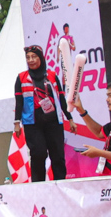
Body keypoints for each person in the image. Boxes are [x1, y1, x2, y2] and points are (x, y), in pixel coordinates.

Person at [13, 45, 71, 182]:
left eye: (34, 57)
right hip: (33, 122)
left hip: (53, 120)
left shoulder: (52, 75)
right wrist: (17, 122)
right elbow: (19, 102)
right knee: (38, 153)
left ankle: (60, 184)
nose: (31, 60)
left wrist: (70, 118)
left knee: (57, 155)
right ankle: (38, 186)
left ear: (41, 58)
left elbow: (61, 98)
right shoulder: (21, 78)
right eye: (28, 57)